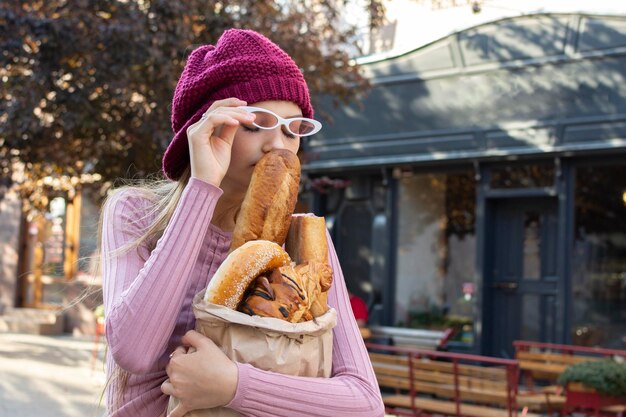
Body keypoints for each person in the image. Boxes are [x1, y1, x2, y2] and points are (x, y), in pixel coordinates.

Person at [100, 28, 384, 417]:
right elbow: (134, 351)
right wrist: (202, 188)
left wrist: (232, 385)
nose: (278, 145)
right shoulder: (135, 212)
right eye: (256, 123)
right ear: (207, 129)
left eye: (294, 128)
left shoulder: (302, 240)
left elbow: (364, 402)